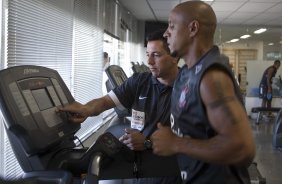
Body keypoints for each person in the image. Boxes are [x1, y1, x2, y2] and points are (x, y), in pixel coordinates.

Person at [150, 1, 256, 184]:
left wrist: (176, 143)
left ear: (193, 28)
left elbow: (242, 148)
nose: (166, 33)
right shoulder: (186, 72)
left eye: (172, 26)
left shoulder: (211, 78)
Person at [58, 30, 181, 183]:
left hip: (170, 170)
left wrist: (147, 142)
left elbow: (195, 139)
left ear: (175, 57)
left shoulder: (189, 89)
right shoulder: (139, 82)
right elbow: (105, 102)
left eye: (156, 55)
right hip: (138, 166)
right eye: (148, 54)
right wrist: (87, 109)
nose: (149, 61)